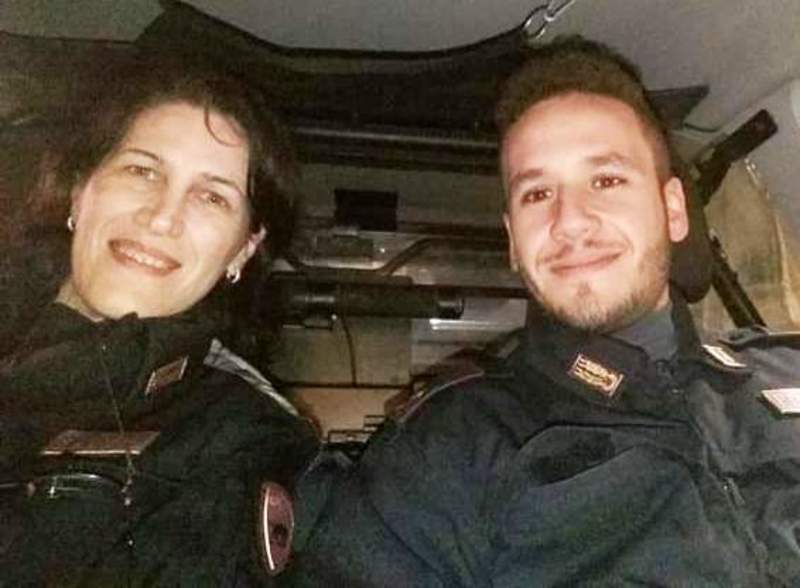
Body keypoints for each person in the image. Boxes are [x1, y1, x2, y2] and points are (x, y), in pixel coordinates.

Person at [289, 37, 800, 586]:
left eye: (606, 180)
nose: (570, 221)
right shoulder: (446, 446)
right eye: (537, 194)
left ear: (673, 210)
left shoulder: (787, 365)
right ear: (514, 240)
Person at [0, 55, 318, 586]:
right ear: (80, 189)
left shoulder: (241, 439)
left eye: (212, 196)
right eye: (142, 171)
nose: (163, 217)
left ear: (243, 248)